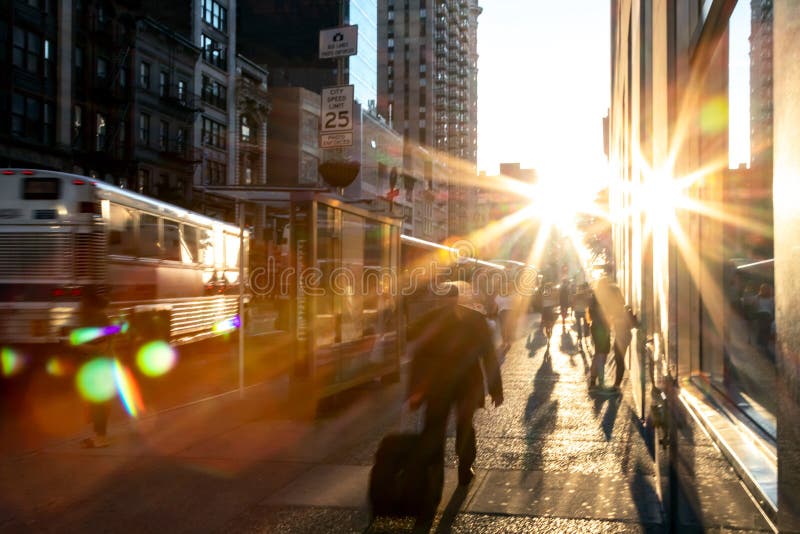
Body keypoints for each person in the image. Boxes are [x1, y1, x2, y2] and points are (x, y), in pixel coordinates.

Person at [407, 283, 504, 487]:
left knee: (434, 426)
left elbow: (417, 354)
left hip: (437, 384)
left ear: (440, 298)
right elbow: (488, 355)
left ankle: (433, 469)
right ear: (457, 297)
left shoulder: (430, 319)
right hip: (467, 383)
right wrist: (495, 389)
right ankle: (464, 468)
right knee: (464, 425)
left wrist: (414, 392)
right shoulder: (475, 318)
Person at [74, 288, 113, 448]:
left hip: (99, 366)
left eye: (82, 302)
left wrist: (80, 346)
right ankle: (98, 435)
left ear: (88, 303)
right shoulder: (92, 317)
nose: (80, 305)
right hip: (96, 365)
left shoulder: (98, 317)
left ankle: (101, 438)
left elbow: (101, 346)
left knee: (99, 402)